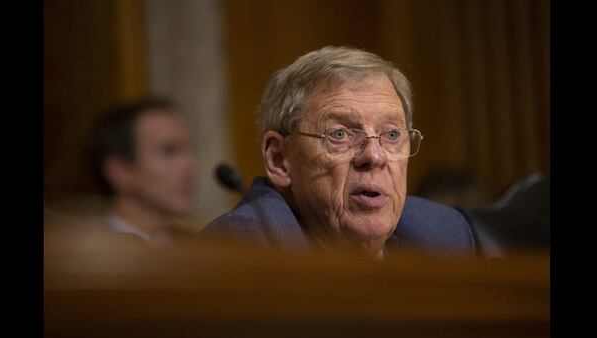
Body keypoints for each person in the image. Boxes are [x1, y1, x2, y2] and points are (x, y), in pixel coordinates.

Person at [201, 46, 475, 257]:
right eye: (340, 135)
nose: (374, 156)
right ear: (279, 160)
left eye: (391, 135)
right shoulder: (241, 247)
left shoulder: (443, 234)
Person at [79, 96, 198, 248]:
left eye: (189, 149)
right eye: (169, 151)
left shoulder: (196, 245)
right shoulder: (87, 252)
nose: (190, 164)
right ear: (119, 171)